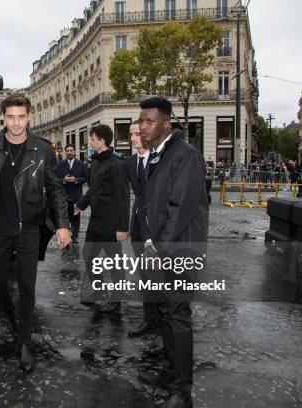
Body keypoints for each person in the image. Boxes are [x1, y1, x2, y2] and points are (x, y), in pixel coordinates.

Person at [0, 94, 71, 373]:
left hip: (29, 228)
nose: (16, 123)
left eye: (21, 117)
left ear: (29, 116)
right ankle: (14, 316)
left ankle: (24, 340)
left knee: (27, 286)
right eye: (11, 117)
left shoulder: (43, 149)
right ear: (3, 116)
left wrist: (62, 224)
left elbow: (55, 189)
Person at [136, 97, 208, 408]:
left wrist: (157, 247)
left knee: (178, 315)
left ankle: (183, 390)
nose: (143, 126)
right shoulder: (159, 155)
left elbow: (180, 208)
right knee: (166, 311)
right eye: (141, 121)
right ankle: (169, 371)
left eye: (149, 121)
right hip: (161, 248)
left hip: (180, 249)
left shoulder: (186, 155)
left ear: (167, 123)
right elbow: (153, 207)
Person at [75, 124, 130, 313]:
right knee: (89, 256)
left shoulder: (117, 164)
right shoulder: (96, 162)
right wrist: (80, 204)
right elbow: (94, 189)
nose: (90, 142)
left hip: (112, 222)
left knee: (114, 263)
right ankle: (99, 292)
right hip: (95, 221)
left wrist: (122, 227)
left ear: (102, 140)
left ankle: (116, 300)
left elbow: (123, 197)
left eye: (92, 139)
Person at [125, 120, 160, 338]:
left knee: (159, 278)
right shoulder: (131, 163)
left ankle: (162, 326)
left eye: (136, 134)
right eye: (131, 134)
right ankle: (149, 321)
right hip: (138, 227)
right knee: (145, 277)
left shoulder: (159, 161)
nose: (132, 138)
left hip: (156, 229)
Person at [57, 144, 88, 244]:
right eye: (67, 151)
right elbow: (56, 178)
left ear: (74, 151)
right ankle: (65, 235)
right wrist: (64, 180)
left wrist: (76, 180)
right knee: (65, 216)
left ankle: (75, 236)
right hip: (64, 196)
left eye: (71, 150)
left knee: (75, 216)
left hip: (76, 195)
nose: (69, 152)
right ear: (65, 152)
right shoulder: (60, 164)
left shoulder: (81, 164)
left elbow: (86, 178)